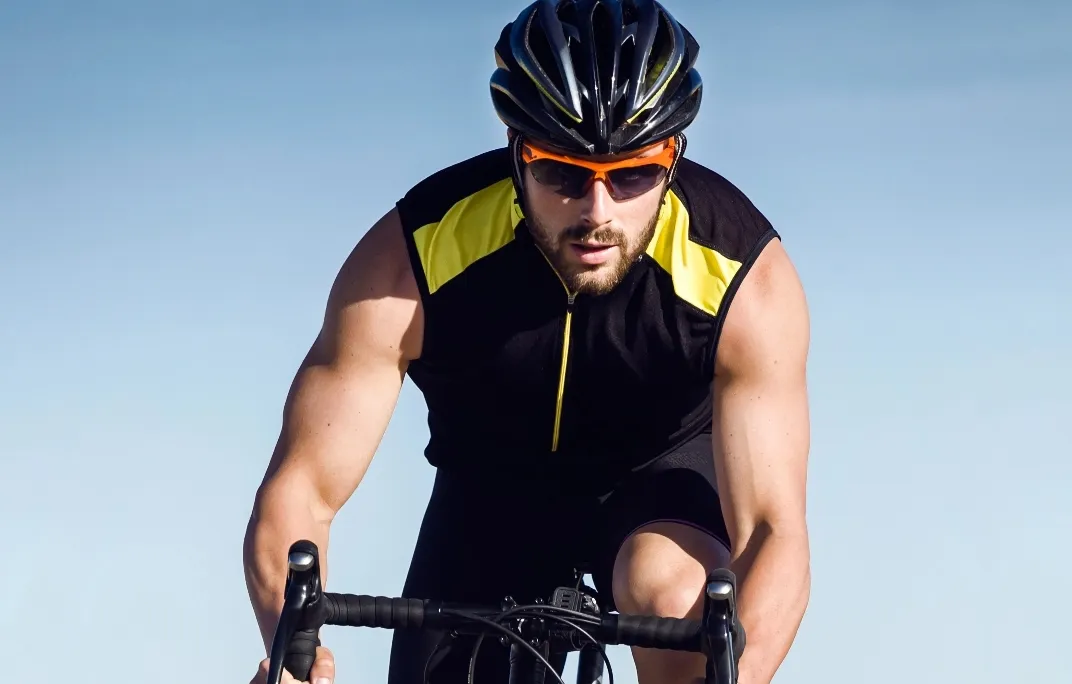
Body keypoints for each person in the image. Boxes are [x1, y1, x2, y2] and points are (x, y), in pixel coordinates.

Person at [244, 1, 811, 683]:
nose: (598, 212)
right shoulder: (412, 260)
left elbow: (774, 533)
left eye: (633, 175)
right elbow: (301, 490)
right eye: (564, 174)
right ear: (517, 149)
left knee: (669, 592)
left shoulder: (743, 278)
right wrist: (295, 659)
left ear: (674, 156)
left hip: (657, 493)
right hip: (490, 492)